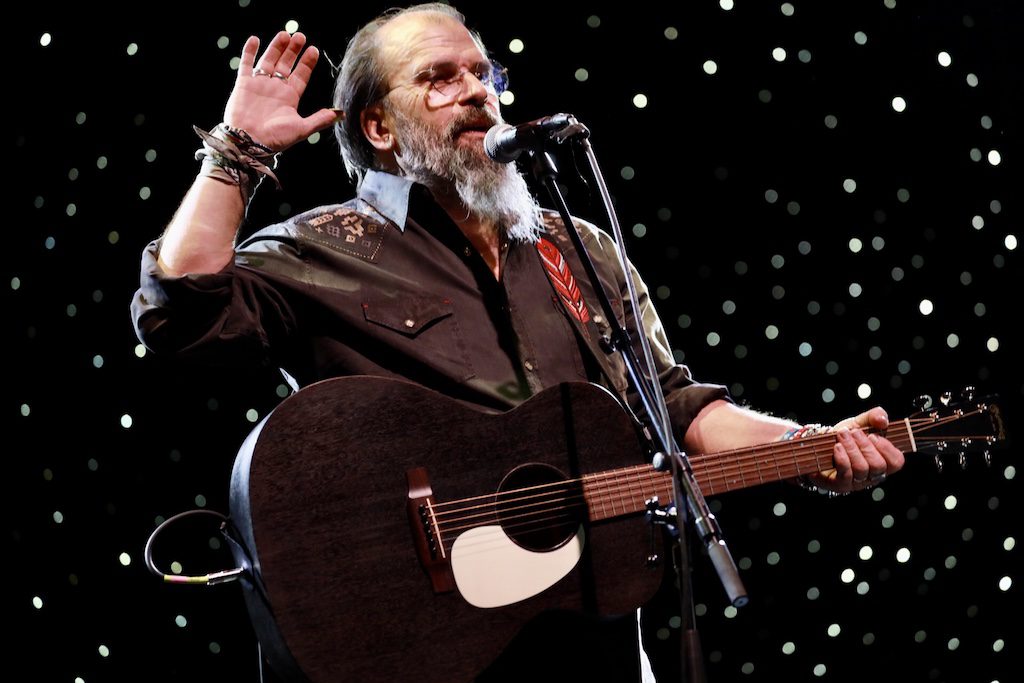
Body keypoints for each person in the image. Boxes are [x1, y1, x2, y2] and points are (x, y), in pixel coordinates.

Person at [131, 4, 906, 682]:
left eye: (483, 72)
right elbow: (180, 311)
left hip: (586, 631)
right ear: (379, 128)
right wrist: (236, 152)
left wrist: (811, 445)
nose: (477, 91)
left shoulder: (581, 252)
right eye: (439, 77)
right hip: (408, 635)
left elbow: (671, 406)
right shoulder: (326, 248)